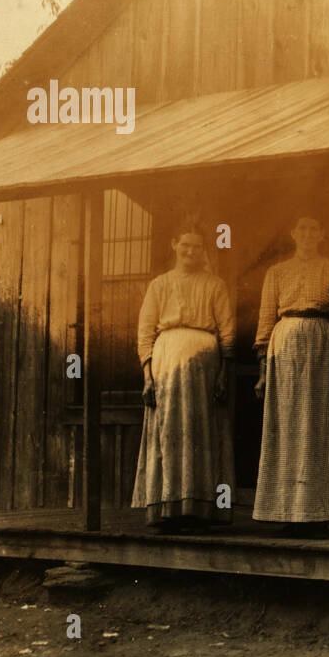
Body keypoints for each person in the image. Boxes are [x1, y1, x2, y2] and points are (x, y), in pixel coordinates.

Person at [253, 214, 329, 538]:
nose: (308, 234)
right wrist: (262, 372)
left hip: (321, 346)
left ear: (322, 234)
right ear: (293, 233)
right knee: (286, 428)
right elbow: (265, 322)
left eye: (314, 228)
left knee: (318, 427)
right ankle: (288, 512)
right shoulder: (276, 272)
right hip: (284, 347)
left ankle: (318, 514)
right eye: (302, 228)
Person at [132, 223, 236, 531]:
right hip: (166, 364)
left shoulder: (215, 285)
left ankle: (201, 510)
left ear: (204, 250)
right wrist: (148, 377)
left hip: (205, 366)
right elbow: (145, 332)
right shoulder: (159, 285)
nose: (191, 251)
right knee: (168, 431)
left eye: (197, 246)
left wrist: (223, 372)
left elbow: (227, 331)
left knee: (201, 432)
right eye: (185, 245)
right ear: (174, 245)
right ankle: (167, 508)